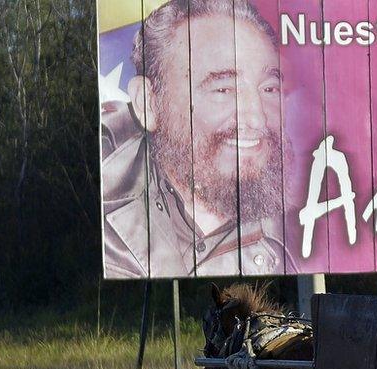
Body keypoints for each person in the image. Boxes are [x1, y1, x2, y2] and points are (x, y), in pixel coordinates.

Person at [102, 0, 294, 278]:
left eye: (268, 87)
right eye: (223, 89)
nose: (257, 118)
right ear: (148, 104)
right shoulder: (110, 230)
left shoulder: (312, 220)